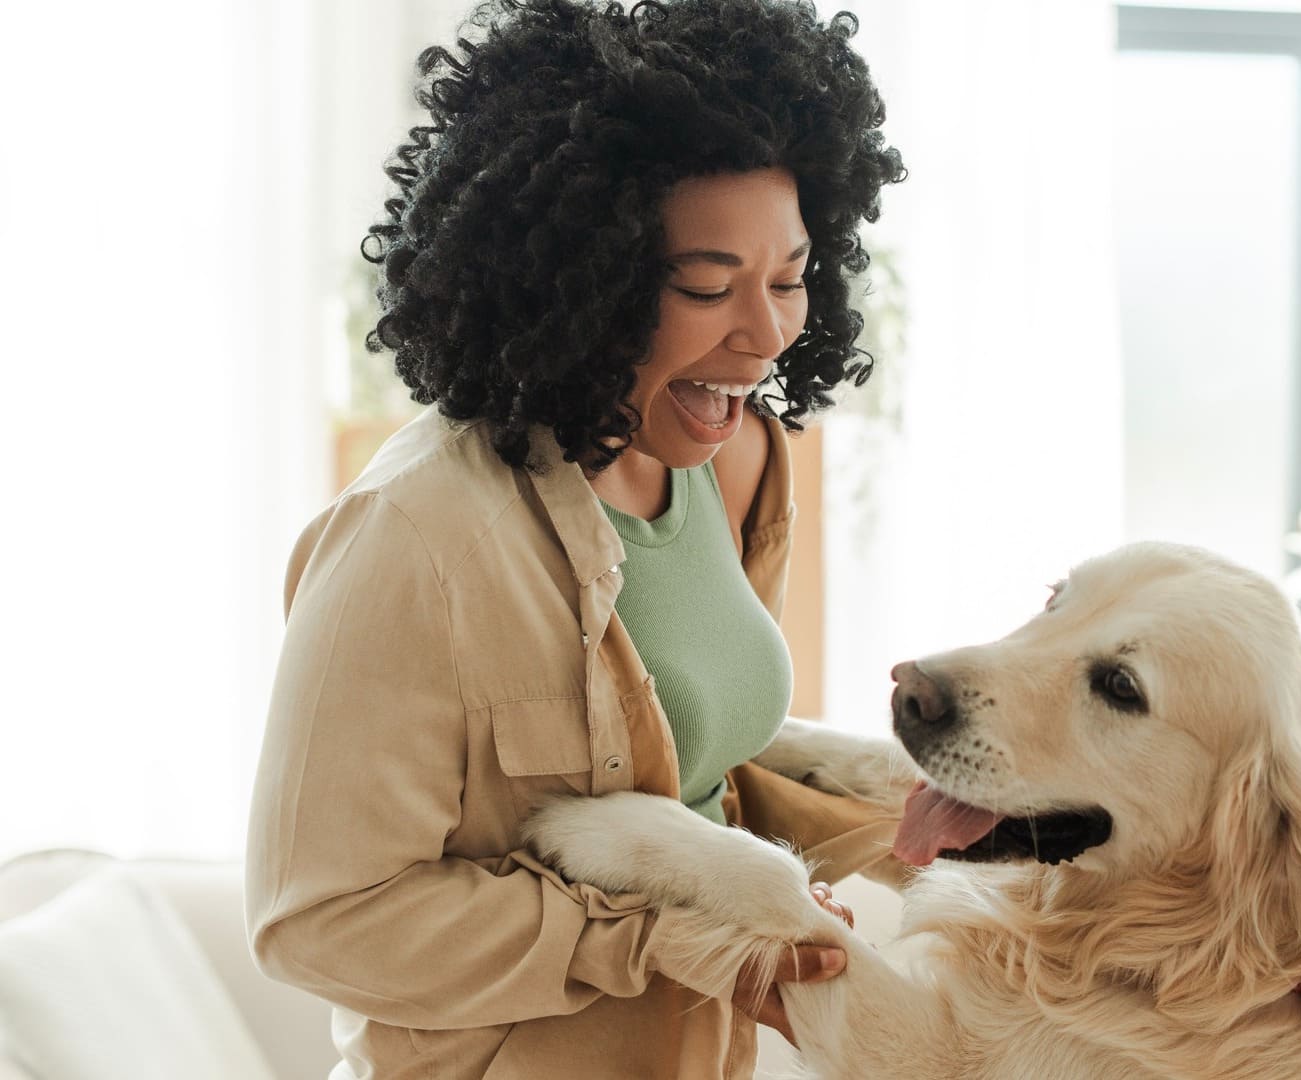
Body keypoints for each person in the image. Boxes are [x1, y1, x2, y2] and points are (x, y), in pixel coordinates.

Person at [244, 1, 908, 1076]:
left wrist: (904, 819)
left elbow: (685, 756)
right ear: (577, 278)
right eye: (706, 285)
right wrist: (665, 936)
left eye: (789, 279)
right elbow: (316, 921)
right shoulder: (411, 537)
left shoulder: (730, 458)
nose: (767, 332)